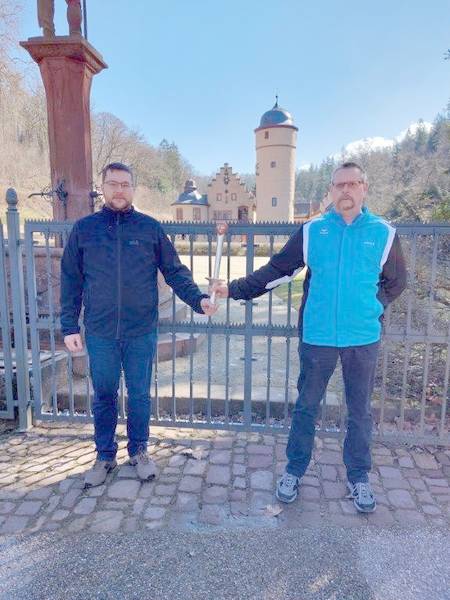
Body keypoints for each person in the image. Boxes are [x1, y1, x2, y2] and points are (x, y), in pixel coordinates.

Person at [209, 162, 407, 513]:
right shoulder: (313, 231)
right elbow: (277, 270)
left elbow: (396, 282)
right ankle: (294, 470)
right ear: (330, 191)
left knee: (359, 411)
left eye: (353, 184)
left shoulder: (384, 233)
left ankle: (358, 476)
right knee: (306, 407)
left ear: (364, 188)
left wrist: (371, 307)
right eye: (339, 185)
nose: (346, 190)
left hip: (362, 338)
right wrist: (234, 289)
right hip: (318, 337)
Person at [61, 162, 217, 488]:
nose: (119, 190)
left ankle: (139, 451)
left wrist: (199, 300)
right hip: (101, 331)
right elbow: (71, 280)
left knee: (140, 395)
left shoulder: (149, 229)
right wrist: (69, 326)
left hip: (141, 331)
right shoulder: (84, 229)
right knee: (104, 395)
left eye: (125, 184)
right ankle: (105, 455)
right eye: (113, 184)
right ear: (103, 187)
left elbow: (175, 272)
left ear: (133, 188)